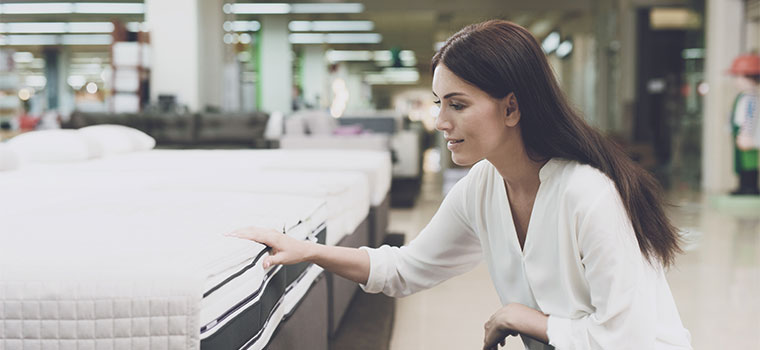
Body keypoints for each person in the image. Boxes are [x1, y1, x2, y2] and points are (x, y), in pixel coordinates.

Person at [229, 20, 692, 350]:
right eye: (438, 103)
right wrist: (307, 250)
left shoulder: (587, 194)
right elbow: (406, 269)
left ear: (511, 108)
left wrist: (523, 318)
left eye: (457, 104)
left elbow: (626, 341)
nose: (440, 121)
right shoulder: (484, 186)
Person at [728, 53, 760, 195]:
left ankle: (750, 187)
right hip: (740, 132)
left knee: (749, 162)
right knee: (741, 162)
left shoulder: (752, 98)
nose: (736, 81)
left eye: (738, 76)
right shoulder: (744, 96)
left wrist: (746, 134)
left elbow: (750, 118)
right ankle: (743, 186)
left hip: (747, 135)